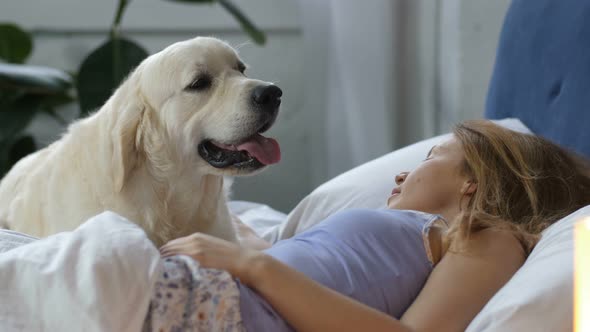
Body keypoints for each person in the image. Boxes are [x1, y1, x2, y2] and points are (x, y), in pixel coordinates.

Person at [150, 120, 590, 332]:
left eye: (431, 157)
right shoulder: (411, 227)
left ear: (475, 180)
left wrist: (253, 267)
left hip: (225, 310)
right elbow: (300, 265)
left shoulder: (489, 237)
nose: (402, 174)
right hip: (211, 288)